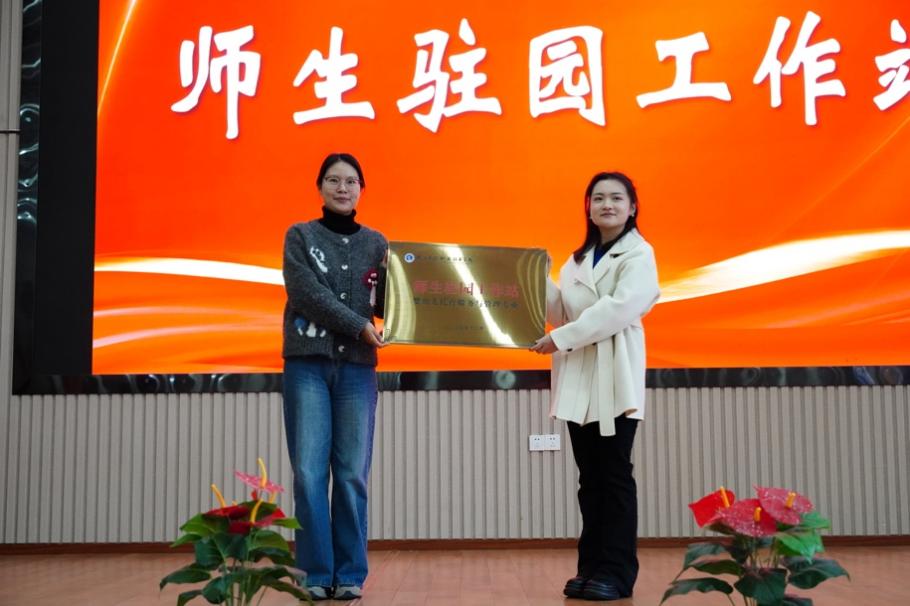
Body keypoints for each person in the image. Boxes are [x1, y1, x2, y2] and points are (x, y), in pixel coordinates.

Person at [530, 171, 659, 601]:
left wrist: (561, 339)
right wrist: (535, 275)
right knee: (590, 479)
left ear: (632, 207)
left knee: (614, 476)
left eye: (616, 198)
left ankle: (617, 573)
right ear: (588, 207)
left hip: (614, 377)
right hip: (579, 378)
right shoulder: (577, 260)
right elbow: (562, 312)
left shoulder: (639, 254)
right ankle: (590, 568)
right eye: (598, 198)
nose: (607, 205)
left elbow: (618, 310)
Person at [281, 152, 387, 601]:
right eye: (333, 180)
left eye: (351, 181)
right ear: (320, 187)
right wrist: (359, 325)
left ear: (361, 189)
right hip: (307, 365)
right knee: (308, 474)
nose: (342, 188)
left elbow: (390, 303)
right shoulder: (300, 236)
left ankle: (350, 574)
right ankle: (315, 573)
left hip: (358, 370)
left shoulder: (378, 243)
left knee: (351, 475)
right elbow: (305, 293)